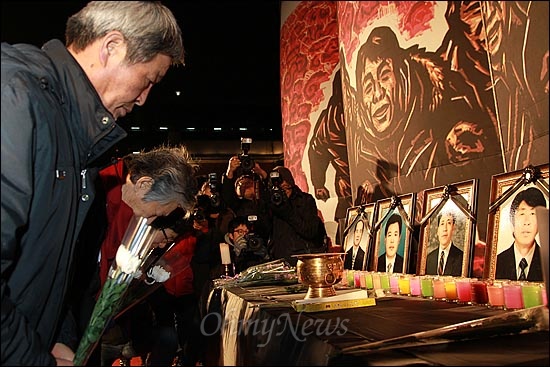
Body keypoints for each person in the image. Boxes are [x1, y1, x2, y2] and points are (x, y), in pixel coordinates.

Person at [1, 2, 184, 365]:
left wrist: (56, 337)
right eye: (148, 79)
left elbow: (55, 268)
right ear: (111, 47)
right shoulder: (15, 97)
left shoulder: (73, 133)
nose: (144, 98)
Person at [267, 166, 326, 266]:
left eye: (285, 188)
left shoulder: (305, 200)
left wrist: (286, 210)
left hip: (302, 260)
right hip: (279, 262)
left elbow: (309, 231)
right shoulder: (270, 203)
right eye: (279, 189)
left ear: (291, 185)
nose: (283, 193)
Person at [495, 187, 547, 281]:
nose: (526, 222)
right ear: (512, 220)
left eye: (533, 214)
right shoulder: (496, 262)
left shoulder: (546, 262)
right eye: (522, 214)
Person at [425, 211, 464, 276]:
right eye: (442, 224)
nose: (445, 229)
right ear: (438, 230)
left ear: (453, 228)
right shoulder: (429, 258)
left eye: (449, 223)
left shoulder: (461, 258)